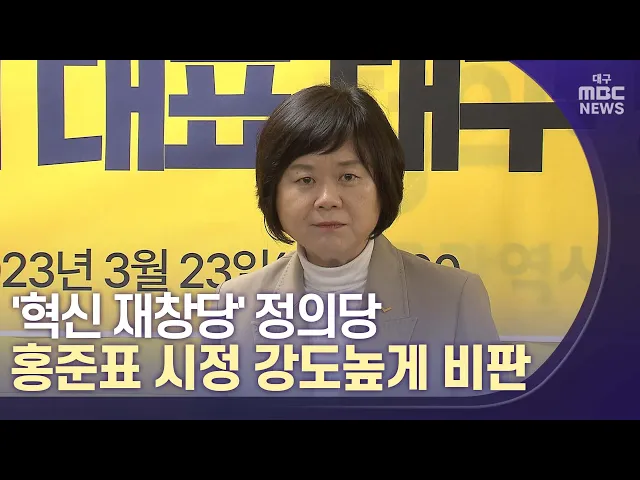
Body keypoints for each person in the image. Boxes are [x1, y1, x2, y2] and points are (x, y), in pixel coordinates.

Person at [211, 82, 500, 397]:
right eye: (305, 179)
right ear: (273, 193)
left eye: (348, 177)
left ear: (383, 186)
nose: (327, 199)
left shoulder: (455, 299)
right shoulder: (236, 302)